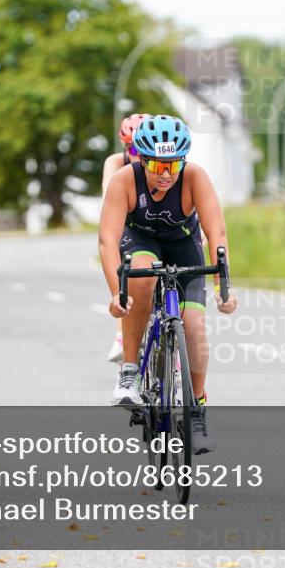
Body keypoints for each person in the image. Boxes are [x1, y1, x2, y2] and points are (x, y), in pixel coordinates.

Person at [98, 115, 237, 454]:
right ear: (142, 159)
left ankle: (197, 412)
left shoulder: (194, 177)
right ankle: (130, 372)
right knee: (141, 279)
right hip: (139, 239)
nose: (165, 174)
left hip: (183, 243)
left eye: (173, 164)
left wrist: (223, 287)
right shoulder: (124, 179)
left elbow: (216, 234)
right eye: (158, 165)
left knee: (193, 326)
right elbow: (107, 239)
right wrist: (117, 293)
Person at [101, 114, 150, 362]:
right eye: (131, 148)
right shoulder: (115, 163)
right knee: (125, 273)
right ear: (123, 147)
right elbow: (109, 200)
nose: (136, 154)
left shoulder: (158, 163)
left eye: (141, 147)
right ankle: (123, 334)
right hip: (126, 224)